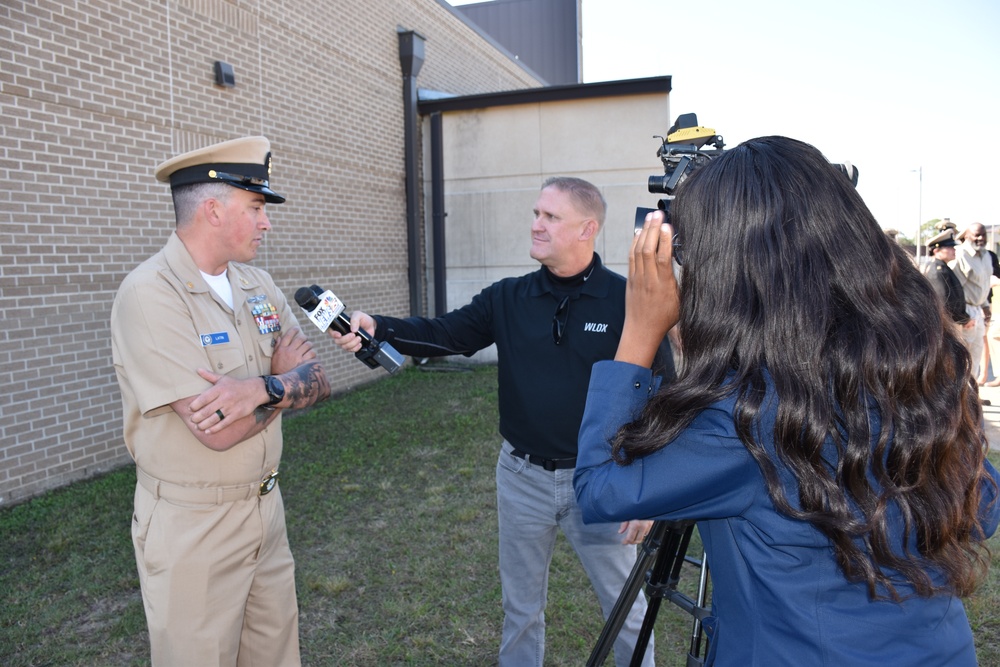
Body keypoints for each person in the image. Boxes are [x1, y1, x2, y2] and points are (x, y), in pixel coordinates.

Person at [573, 136, 1000, 666]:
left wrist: (639, 334)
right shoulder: (919, 370)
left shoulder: (744, 419)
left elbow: (601, 489)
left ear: (731, 276)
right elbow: (983, 510)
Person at [329, 176, 674, 667]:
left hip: (600, 479)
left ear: (587, 229)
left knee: (626, 610)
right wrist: (378, 327)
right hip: (521, 478)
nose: (535, 224)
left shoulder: (628, 300)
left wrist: (650, 486)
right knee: (521, 611)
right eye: (536, 213)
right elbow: (443, 334)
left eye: (550, 217)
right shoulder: (507, 298)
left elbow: (664, 393)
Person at [111, 136, 332, 666]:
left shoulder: (258, 285)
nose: (266, 223)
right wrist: (283, 383)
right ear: (213, 209)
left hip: (265, 513)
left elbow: (319, 379)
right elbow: (217, 431)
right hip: (195, 529)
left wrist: (260, 389)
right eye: (256, 207)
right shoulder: (150, 294)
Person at [950, 222, 992, 383]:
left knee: (976, 354)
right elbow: (955, 289)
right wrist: (963, 316)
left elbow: (983, 284)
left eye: (983, 235)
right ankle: (961, 399)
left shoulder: (986, 255)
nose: (981, 238)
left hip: (979, 310)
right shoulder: (960, 255)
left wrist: (986, 306)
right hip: (965, 311)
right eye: (976, 235)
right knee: (963, 358)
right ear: (966, 236)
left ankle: (972, 396)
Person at [922, 228, 972, 328]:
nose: (954, 250)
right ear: (936, 250)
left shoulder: (943, 266)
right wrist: (964, 320)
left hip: (950, 323)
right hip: (948, 325)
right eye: (949, 247)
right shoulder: (937, 270)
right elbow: (944, 302)